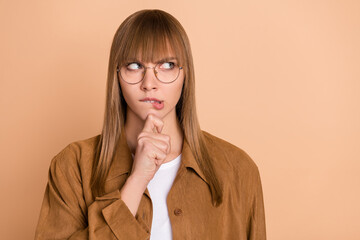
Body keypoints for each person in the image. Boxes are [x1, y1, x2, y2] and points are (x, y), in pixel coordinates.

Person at [35, 9, 266, 240]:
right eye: (134, 65)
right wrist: (136, 182)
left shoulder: (238, 169)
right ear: (116, 74)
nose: (149, 83)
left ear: (185, 74)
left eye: (166, 65)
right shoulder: (73, 166)